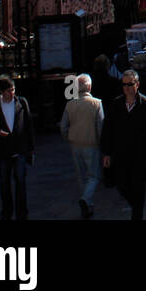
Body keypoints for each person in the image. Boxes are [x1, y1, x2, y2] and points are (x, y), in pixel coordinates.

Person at [101, 69, 146, 221]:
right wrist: (106, 153)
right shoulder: (116, 105)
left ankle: (137, 215)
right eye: (124, 85)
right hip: (121, 154)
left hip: (140, 155)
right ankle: (136, 207)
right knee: (121, 185)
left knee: (138, 189)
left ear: (137, 84)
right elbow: (107, 130)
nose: (127, 88)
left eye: (130, 84)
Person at [0, 75, 35, 220]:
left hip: (20, 148)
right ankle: (6, 211)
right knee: (4, 182)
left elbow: (28, 124)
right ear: (1, 91)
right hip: (3, 150)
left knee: (21, 180)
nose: (11, 93)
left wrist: (31, 147)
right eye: (8, 91)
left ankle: (22, 213)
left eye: (13, 90)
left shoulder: (21, 102)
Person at [60, 74, 104, 218]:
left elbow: (63, 125)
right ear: (90, 87)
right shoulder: (97, 103)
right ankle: (86, 199)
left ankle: (88, 204)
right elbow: (100, 125)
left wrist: (68, 137)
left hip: (75, 144)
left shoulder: (70, 104)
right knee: (94, 175)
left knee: (82, 176)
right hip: (91, 143)